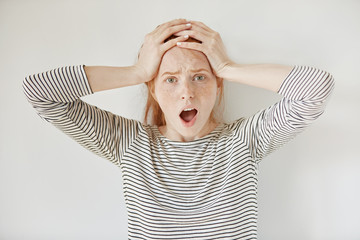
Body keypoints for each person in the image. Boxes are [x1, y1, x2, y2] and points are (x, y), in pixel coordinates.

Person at [23, 19, 334, 240]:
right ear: (154, 90)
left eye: (200, 77)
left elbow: (316, 90)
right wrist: (137, 71)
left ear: (217, 86)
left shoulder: (244, 140)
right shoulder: (129, 143)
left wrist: (226, 66)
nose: (187, 93)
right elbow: (40, 93)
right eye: (170, 79)